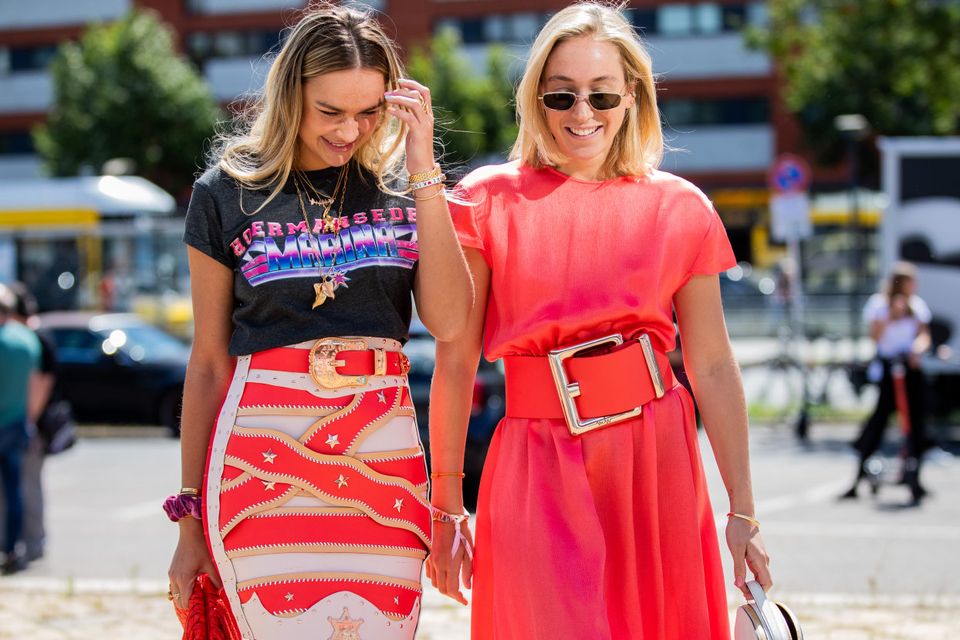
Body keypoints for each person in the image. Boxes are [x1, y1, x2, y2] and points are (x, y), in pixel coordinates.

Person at [426, 4, 770, 638]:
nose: (582, 113)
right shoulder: (484, 198)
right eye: (561, 95)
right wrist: (446, 509)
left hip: (655, 462)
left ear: (631, 96)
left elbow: (714, 365)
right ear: (536, 99)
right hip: (532, 459)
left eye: (601, 94)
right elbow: (454, 361)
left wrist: (742, 510)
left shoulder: (681, 207)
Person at [165, 4, 472, 639]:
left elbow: (448, 322)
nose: (349, 130)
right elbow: (208, 363)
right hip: (259, 457)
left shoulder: (405, 191)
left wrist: (422, 169)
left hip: (381, 453)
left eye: (368, 112)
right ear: (289, 95)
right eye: (330, 111)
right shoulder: (224, 193)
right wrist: (189, 522)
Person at [841, 261, 931, 505]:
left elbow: (924, 334)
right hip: (889, 371)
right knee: (879, 421)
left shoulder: (917, 306)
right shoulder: (879, 306)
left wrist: (917, 349)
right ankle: (859, 473)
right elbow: (875, 336)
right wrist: (892, 316)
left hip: (909, 369)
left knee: (916, 422)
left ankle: (915, 474)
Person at [0, 283, 56, 563]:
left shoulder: (17, 340)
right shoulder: (28, 341)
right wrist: (29, 419)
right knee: (19, 488)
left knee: (16, 489)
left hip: (14, 422)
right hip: (20, 423)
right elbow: (39, 383)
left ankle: (19, 544)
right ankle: (16, 546)